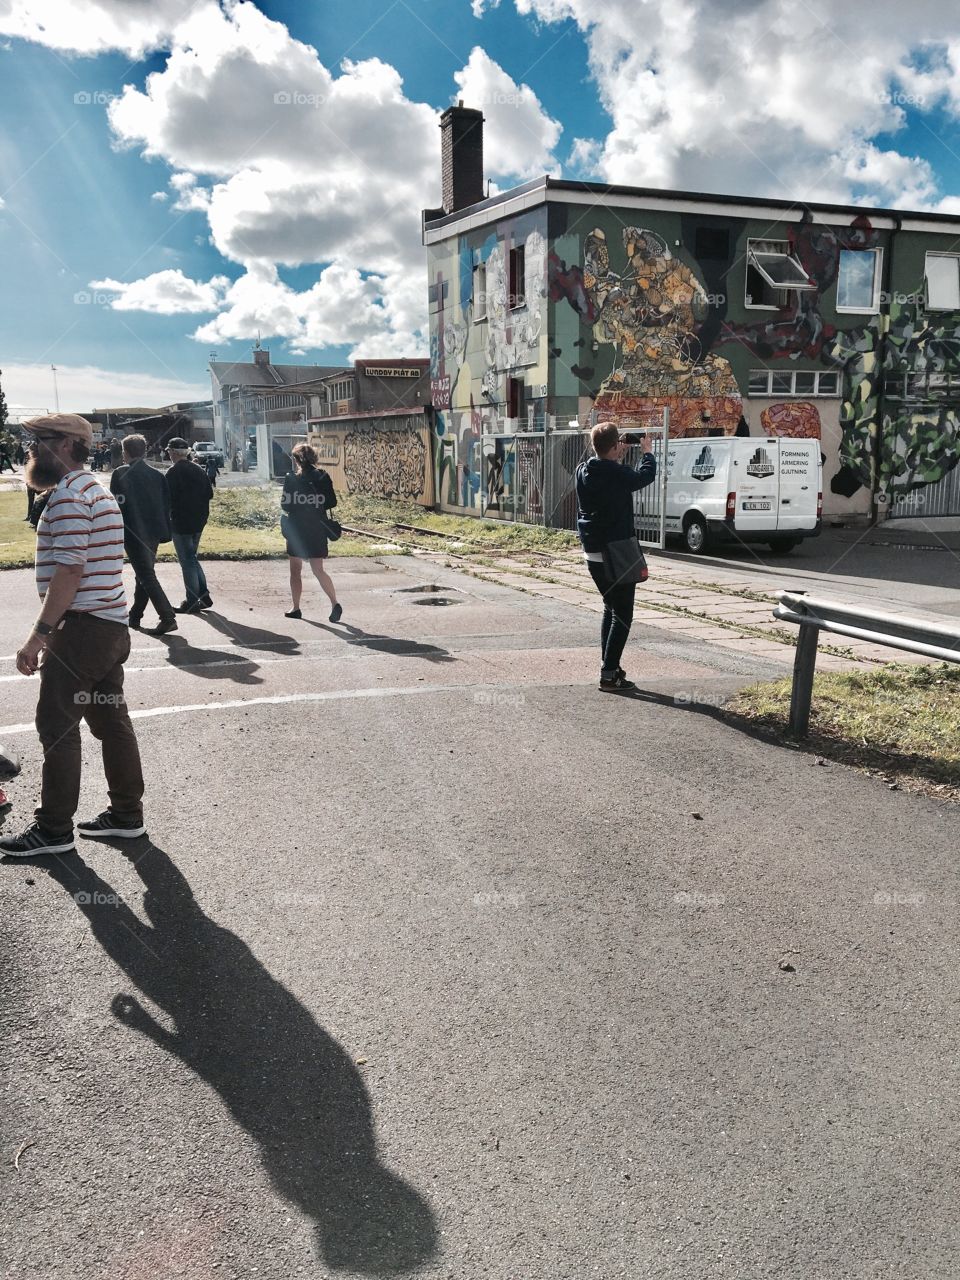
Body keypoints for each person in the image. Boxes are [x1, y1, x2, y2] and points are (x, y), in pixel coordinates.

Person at [0, 413, 147, 858]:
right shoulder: (95, 490)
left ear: (65, 444)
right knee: (111, 723)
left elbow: (69, 571)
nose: (30, 448)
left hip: (80, 632)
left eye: (39, 440)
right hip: (109, 627)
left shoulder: (67, 496)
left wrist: (38, 635)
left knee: (58, 728)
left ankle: (53, 830)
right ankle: (126, 816)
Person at [576, 422, 657, 692]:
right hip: (616, 551)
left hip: (592, 552)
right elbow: (644, 477)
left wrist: (613, 456)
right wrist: (647, 452)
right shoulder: (616, 473)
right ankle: (609, 675)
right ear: (614, 446)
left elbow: (609, 474)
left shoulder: (583, 470)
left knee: (610, 608)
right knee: (622, 614)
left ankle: (609, 666)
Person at [110, 434, 177, 636]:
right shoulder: (157, 475)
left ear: (126, 452)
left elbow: (116, 505)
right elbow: (166, 504)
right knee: (144, 573)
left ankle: (167, 617)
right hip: (153, 530)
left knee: (146, 574)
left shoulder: (120, 473)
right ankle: (135, 615)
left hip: (132, 530)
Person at [280, 442, 341, 622]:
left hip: (296, 529)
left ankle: (296, 608)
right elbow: (332, 502)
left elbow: (285, 505)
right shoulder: (323, 476)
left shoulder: (291, 478)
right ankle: (335, 603)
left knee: (295, 570)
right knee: (318, 570)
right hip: (317, 528)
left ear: (297, 460)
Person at [164, 437, 214, 613]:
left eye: (169, 451)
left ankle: (192, 600)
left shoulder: (173, 472)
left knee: (187, 561)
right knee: (191, 558)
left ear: (174, 452)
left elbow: (167, 499)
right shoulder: (198, 469)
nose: (168, 454)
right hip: (199, 520)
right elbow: (209, 494)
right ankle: (203, 595)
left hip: (181, 521)